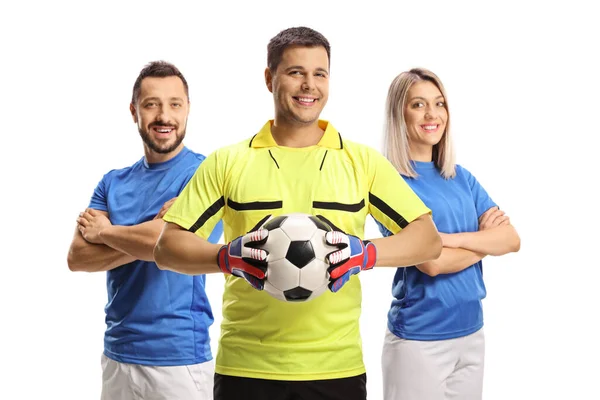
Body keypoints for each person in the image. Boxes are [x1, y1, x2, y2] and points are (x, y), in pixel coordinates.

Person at [153, 27, 442, 400]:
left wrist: (365, 254)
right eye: (295, 73)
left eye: (319, 74)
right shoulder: (228, 162)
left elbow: (427, 238)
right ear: (269, 78)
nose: (309, 86)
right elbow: (166, 247)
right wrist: (225, 257)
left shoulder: (361, 161)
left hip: (337, 368)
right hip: (246, 367)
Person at [67, 61, 223, 400]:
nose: (164, 116)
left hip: (179, 360)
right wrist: (156, 231)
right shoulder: (112, 182)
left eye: (175, 104)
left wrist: (106, 232)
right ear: (134, 110)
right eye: (152, 104)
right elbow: (78, 257)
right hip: (117, 354)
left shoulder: (205, 174)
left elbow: (163, 244)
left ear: (188, 110)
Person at [378, 67, 521, 400]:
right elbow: (431, 263)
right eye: (418, 105)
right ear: (399, 113)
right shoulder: (390, 184)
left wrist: (449, 239)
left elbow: (511, 240)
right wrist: (485, 243)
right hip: (419, 340)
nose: (432, 114)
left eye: (439, 103)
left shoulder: (460, 177)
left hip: (472, 332)